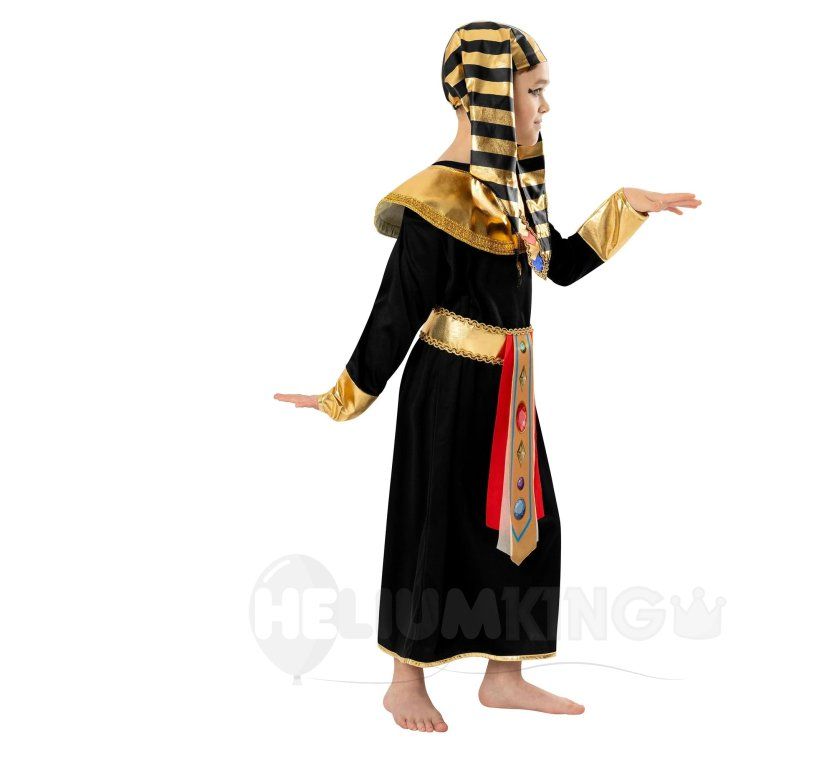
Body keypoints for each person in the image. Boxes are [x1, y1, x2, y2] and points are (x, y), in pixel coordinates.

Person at [275, 20, 701, 732]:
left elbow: (560, 266)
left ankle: (505, 676)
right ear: (485, 98)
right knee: (431, 523)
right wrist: (341, 397)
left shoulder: (511, 193)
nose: (544, 106)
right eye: (533, 91)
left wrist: (627, 207)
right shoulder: (434, 202)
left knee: (522, 526)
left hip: (511, 385)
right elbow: (395, 314)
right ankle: (404, 680)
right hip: (447, 387)